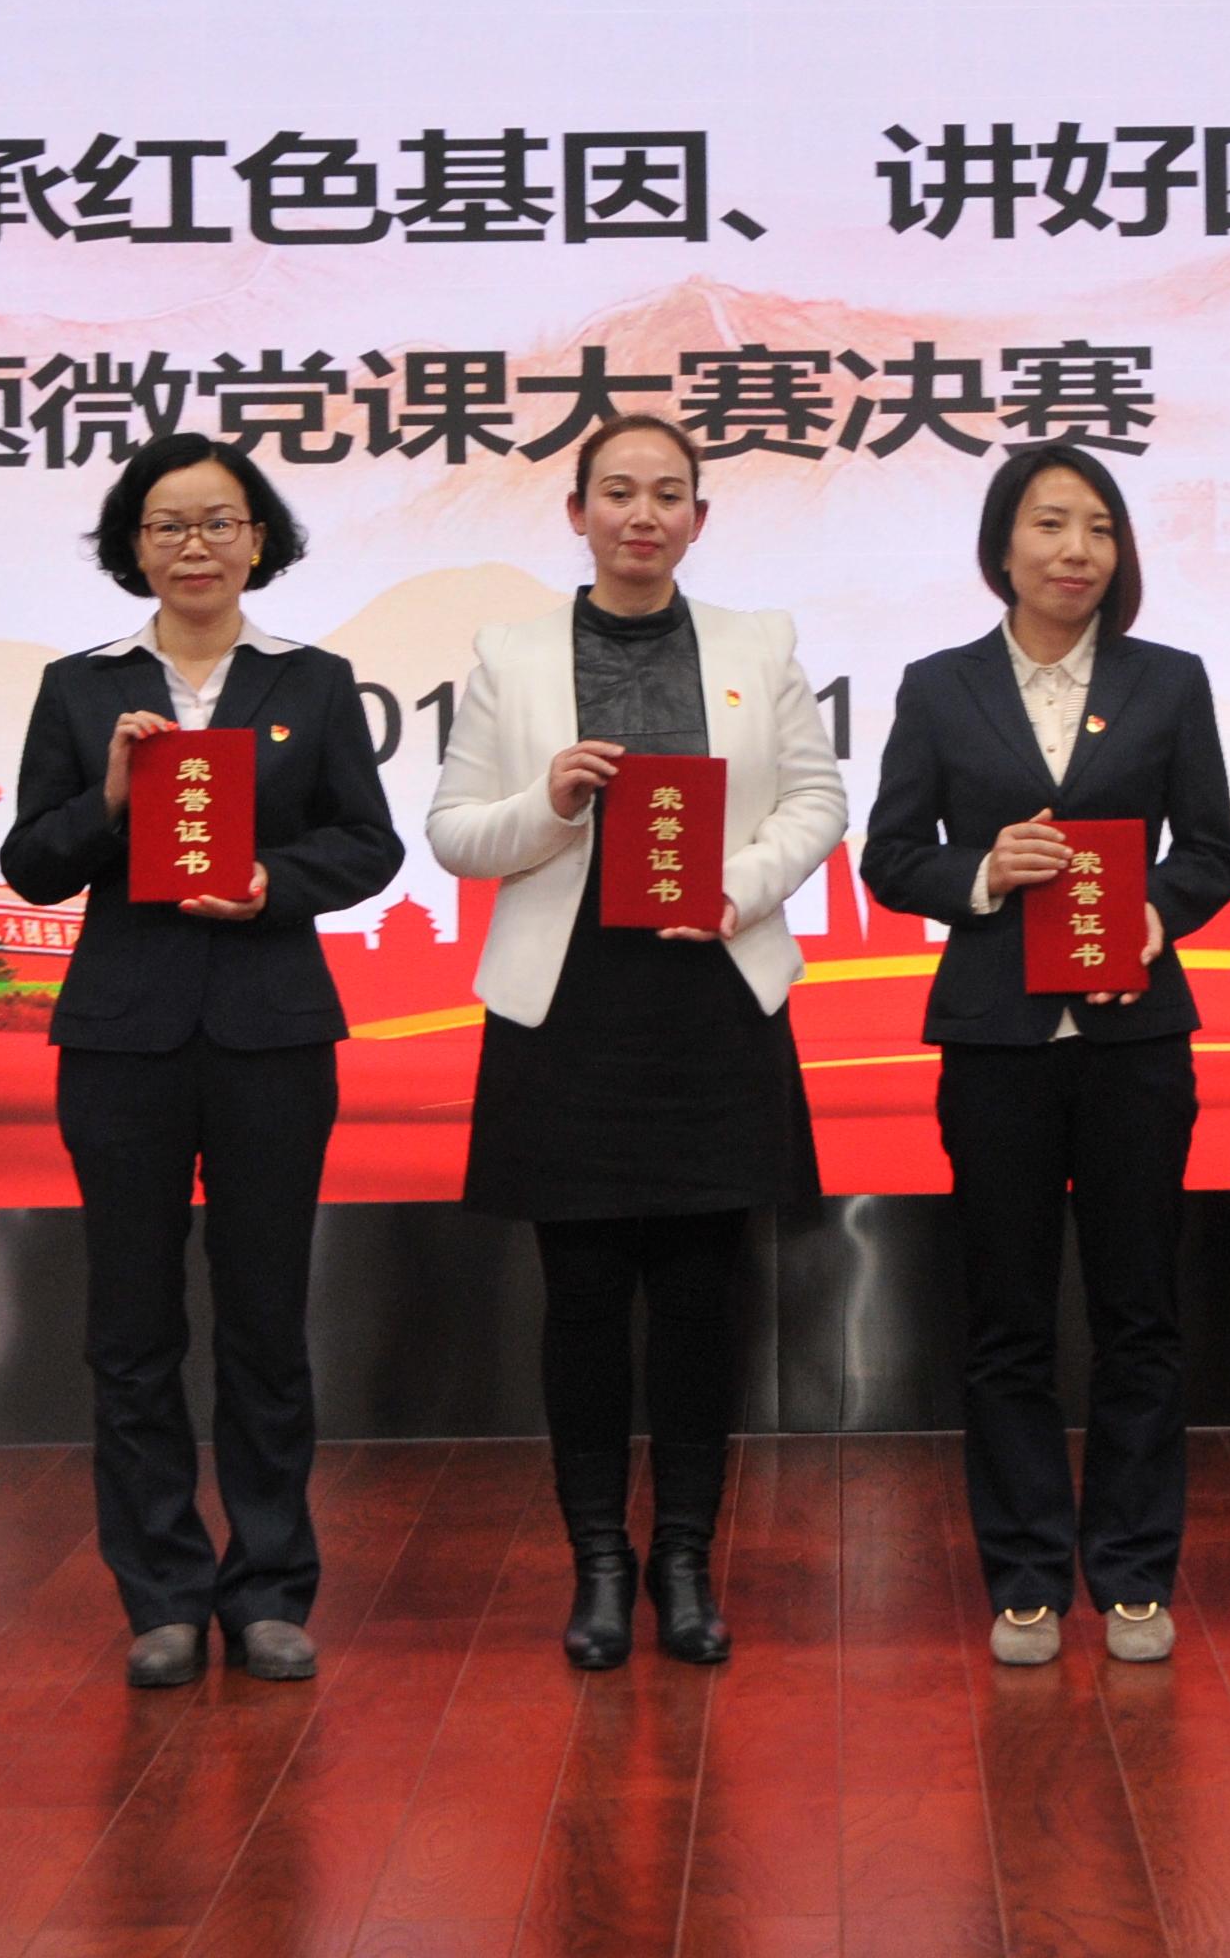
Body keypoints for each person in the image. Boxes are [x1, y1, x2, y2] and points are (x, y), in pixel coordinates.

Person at [429, 414, 849, 1669]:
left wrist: (737, 887)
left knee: (700, 1303)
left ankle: (685, 1560)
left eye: (669, 494)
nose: (642, 515)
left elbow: (818, 798)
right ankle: (600, 1564)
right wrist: (548, 801)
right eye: (617, 492)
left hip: (710, 997)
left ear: (698, 520)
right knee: (583, 1302)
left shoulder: (755, 643)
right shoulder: (511, 654)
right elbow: (453, 831)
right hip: (569, 1012)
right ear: (577, 512)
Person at [0, 433, 401, 1690]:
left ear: (258, 540)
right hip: (121, 1038)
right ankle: (162, 1593)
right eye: (167, 525)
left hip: (272, 1034)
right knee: (131, 1327)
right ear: (133, 546)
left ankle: (270, 1587)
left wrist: (273, 882)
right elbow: (30, 864)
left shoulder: (313, 682)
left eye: (220, 522)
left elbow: (369, 845)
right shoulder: (80, 688)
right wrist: (111, 799)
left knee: (266, 1321)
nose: (195, 546)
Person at [860, 445, 1230, 1668]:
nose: (1076, 549)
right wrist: (982, 872)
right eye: (1049, 524)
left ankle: (1132, 1572)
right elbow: (888, 854)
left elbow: (1212, 852)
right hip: (998, 1041)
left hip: (1135, 1038)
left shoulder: (1167, 681)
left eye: (1099, 528)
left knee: (1139, 1314)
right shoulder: (940, 686)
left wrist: (1157, 913)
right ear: (1002, 546)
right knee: (1007, 1317)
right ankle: (1025, 1573)